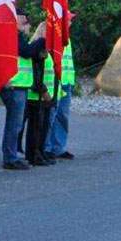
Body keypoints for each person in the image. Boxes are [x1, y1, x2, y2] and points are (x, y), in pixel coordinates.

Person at [0, 8, 45, 170]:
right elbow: (26, 52)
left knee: (16, 123)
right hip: (14, 85)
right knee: (14, 123)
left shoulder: (18, 36)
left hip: (21, 85)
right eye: (23, 18)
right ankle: (10, 158)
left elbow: (29, 53)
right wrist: (42, 40)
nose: (26, 20)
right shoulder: (11, 34)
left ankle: (11, 155)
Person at [44, 12, 76, 161]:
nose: (70, 22)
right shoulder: (53, 37)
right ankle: (47, 147)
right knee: (51, 116)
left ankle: (59, 147)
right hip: (55, 82)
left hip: (66, 82)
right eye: (68, 20)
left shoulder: (66, 38)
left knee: (62, 116)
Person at [25, 22, 56, 166]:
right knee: (36, 126)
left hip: (45, 94)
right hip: (36, 95)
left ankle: (40, 151)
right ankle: (33, 154)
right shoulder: (36, 48)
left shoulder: (47, 49)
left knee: (43, 126)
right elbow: (37, 73)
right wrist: (43, 91)